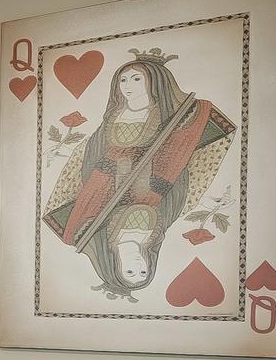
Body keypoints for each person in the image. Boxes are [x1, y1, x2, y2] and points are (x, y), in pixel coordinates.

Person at [41, 48, 234, 300]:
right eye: (123, 79)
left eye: (136, 79)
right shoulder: (115, 114)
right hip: (106, 180)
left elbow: (182, 142)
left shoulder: (170, 115)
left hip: (149, 182)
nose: (127, 86)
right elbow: (96, 148)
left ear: (155, 83)